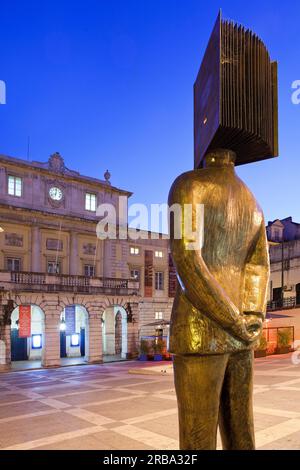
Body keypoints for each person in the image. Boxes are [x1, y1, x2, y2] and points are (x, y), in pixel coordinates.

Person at [168, 148, 270, 450]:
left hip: (201, 329)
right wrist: (251, 317)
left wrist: (232, 320)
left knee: (197, 437)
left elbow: (188, 262)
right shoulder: (252, 201)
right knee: (241, 432)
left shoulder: (188, 185)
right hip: (242, 334)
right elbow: (259, 266)